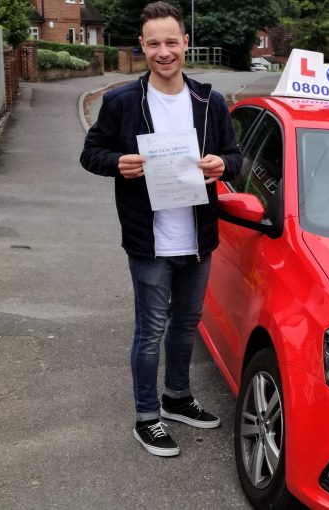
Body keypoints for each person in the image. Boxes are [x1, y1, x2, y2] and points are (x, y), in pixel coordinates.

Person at [80, 1, 242, 457]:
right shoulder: (121, 102)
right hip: (149, 240)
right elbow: (91, 153)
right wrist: (117, 163)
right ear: (142, 46)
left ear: (185, 43)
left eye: (172, 41)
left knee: (186, 325)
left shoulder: (209, 102)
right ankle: (147, 415)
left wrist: (220, 164)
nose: (164, 51)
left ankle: (177, 398)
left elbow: (236, 157)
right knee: (150, 329)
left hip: (197, 238)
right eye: (154, 43)